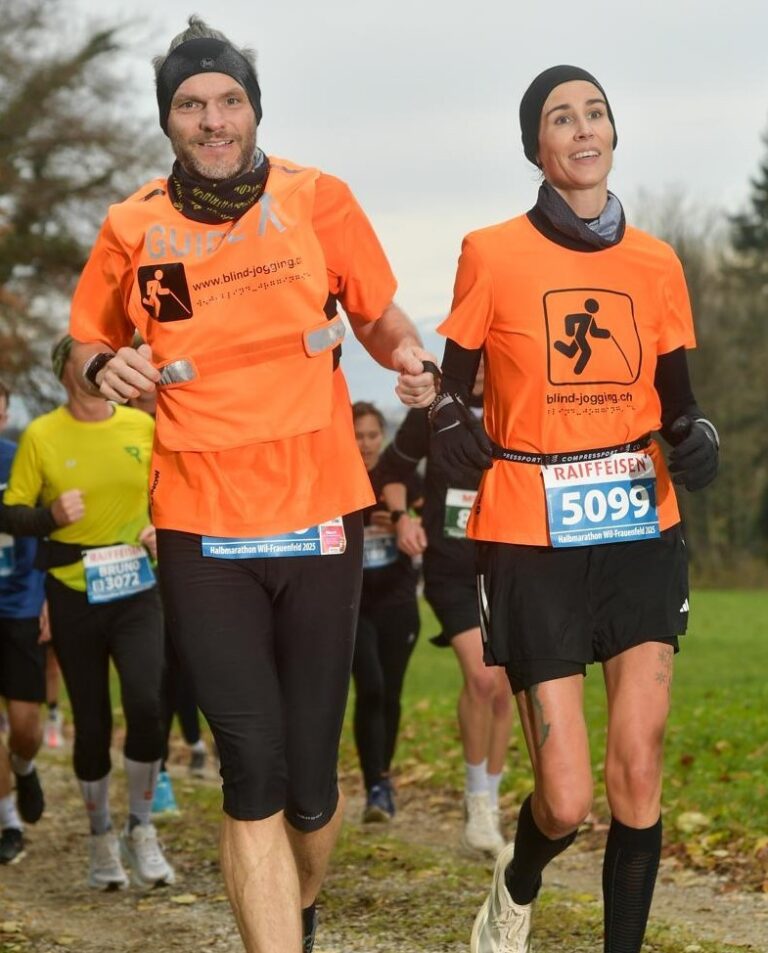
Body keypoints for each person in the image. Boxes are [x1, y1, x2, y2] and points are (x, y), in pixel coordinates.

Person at [67, 17, 436, 953]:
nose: (213, 117)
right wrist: (100, 366)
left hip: (319, 515)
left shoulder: (320, 199)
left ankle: (297, 913)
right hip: (201, 526)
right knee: (252, 769)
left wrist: (407, 357)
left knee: (311, 785)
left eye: (228, 98)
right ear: (169, 122)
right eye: (191, 104)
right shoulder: (131, 225)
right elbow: (81, 346)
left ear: (254, 107)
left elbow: (379, 315)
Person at [428, 66, 719, 953]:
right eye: (562, 117)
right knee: (566, 797)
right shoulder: (491, 251)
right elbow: (451, 388)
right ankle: (517, 883)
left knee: (638, 767)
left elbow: (678, 401)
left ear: (613, 133)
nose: (583, 127)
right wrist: (451, 425)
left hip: (638, 521)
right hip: (530, 532)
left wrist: (696, 433)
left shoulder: (657, 261)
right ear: (537, 148)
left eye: (596, 112)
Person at [2, 337, 175, 890]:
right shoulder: (42, 436)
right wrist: (49, 515)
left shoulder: (140, 428)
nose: (103, 362)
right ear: (65, 372)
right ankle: (101, 839)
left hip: (135, 586)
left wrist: (158, 524)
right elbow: (11, 515)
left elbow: (170, 490)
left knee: (148, 703)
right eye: (88, 356)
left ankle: (140, 827)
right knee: (93, 722)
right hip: (73, 591)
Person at [377, 361, 513, 856]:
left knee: (503, 690)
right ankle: (478, 804)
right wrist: (402, 519)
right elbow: (392, 470)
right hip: (451, 567)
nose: (477, 369)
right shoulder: (435, 410)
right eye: (469, 358)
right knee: (482, 678)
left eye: (485, 358)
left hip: (510, 566)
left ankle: (490, 804)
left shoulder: (516, 405)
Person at [351, 401, 423, 822]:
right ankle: (374, 785)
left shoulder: (399, 474)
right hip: (355, 601)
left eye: (372, 435)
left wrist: (402, 524)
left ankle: (382, 778)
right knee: (371, 686)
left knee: (391, 693)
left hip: (397, 597)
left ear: (383, 436)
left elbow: (425, 517)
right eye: (358, 435)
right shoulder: (337, 472)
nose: (365, 444)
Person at [0, 380, 47, 864]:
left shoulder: (20, 458)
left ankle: (25, 764)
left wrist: (47, 596)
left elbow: (49, 524)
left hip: (19, 602)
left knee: (24, 724)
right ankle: (8, 820)